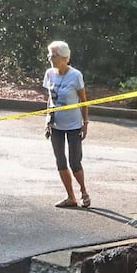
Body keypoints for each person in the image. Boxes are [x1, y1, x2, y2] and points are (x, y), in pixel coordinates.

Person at [43, 40, 91, 208]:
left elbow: (83, 100)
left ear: (64, 57)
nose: (50, 58)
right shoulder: (49, 73)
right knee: (60, 161)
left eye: (53, 55)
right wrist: (48, 118)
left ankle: (83, 191)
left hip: (73, 125)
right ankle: (70, 197)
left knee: (75, 161)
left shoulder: (75, 75)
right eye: (50, 54)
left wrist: (85, 123)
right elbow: (50, 98)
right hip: (55, 124)